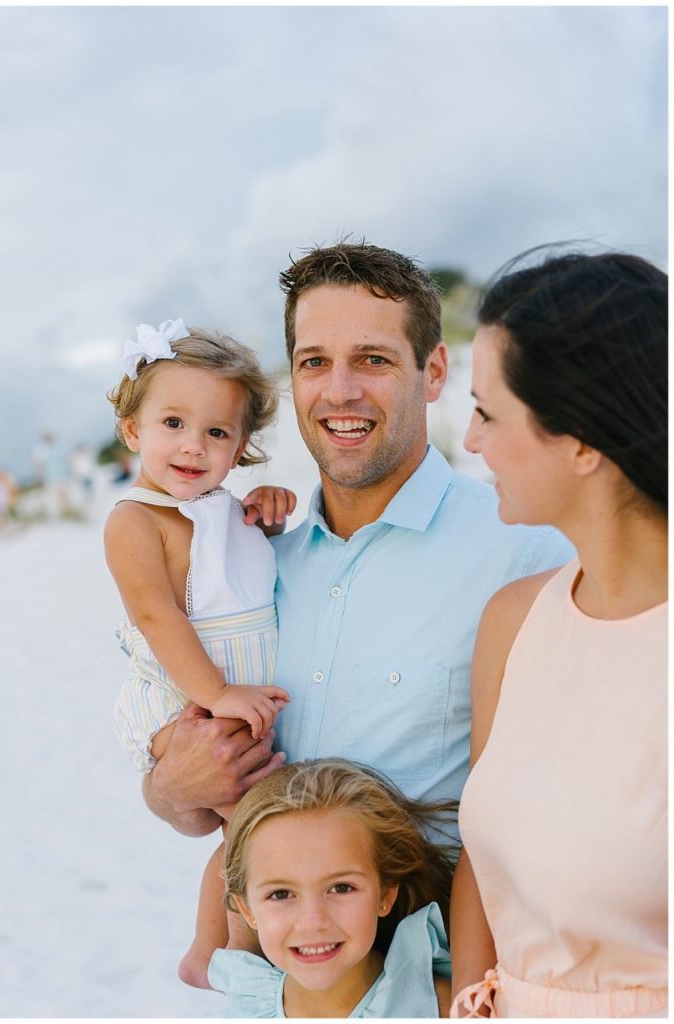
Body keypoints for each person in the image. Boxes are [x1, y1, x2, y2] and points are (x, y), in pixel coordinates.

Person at [141, 243, 573, 974]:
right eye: (313, 362)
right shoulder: (250, 559)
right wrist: (168, 791)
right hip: (274, 975)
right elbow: (187, 755)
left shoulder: (524, 550)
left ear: (432, 372)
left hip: (435, 975)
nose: (338, 391)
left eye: (372, 359)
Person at [449, 250, 667, 1018]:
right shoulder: (512, 622)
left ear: (581, 442)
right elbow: (481, 860)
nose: (470, 442)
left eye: (485, 412)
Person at [104, 318, 296, 986]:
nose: (193, 446)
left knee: (251, 826)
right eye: (173, 424)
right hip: (188, 701)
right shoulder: (134, 520)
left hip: (229, 699)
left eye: (217, 432)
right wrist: (215, 697)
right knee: (260, 828)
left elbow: (239, 570)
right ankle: (243, 956)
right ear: (133, 431)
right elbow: (157, 617)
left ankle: (205, 950)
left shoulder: (225, 509)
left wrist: (266, 517)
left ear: (241, 447)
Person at [209, 757, 456, 1017]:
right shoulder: (241, 1012)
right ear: (247, 911)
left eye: (341, 888)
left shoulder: (439, 1007)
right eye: (280, 894)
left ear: (385, 893)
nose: (313, 922)